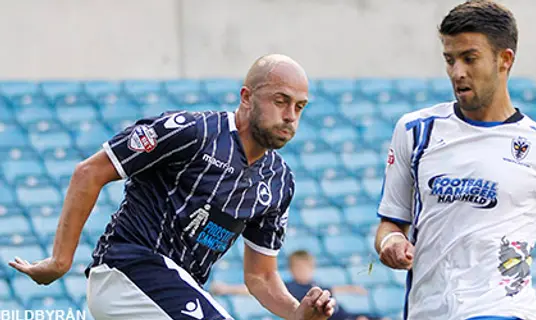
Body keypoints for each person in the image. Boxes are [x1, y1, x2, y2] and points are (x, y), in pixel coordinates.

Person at [9, 54, 336, 320]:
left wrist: (298, 313)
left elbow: (261, 277)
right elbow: (89, 172)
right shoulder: (192, 132)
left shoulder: (279, 181)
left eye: (299, 106)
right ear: (246, 97)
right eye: (281, 101)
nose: (291, 115)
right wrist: (60, 262)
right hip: (127, 273)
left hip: (173, 296)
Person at [374, 1, 536, 320]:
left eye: (469, 59)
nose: (457, 72)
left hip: (503, 310)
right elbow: (390, 224)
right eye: (450, 60)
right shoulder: (415, 131)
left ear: (504, 60)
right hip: (429, 310)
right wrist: (390, 241)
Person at [211, 250, 388, 320]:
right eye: (300, 268)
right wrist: (226, 288)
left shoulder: (315, 284)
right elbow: (254, 289)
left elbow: (334, 289)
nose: (304, 271)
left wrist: (353, 289)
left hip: (345, 315)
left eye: (307, 267)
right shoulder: (289, 287)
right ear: (292, 269)